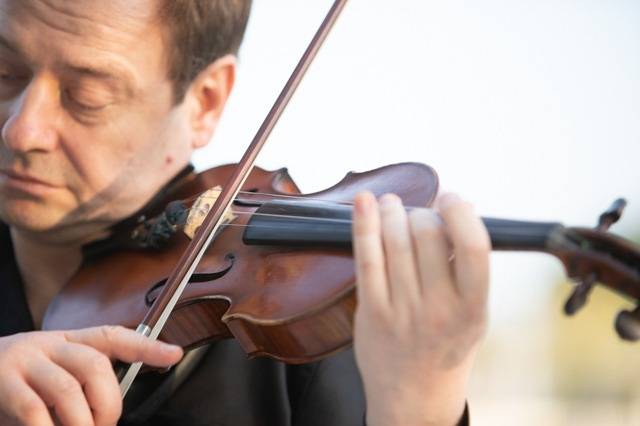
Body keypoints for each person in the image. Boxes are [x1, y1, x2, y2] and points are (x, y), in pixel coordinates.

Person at [0, 1, 490, 425]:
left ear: (205, 103)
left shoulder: (296, 331)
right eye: (4, 72)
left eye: (88, 97)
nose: (21, 132)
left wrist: (421, 413)